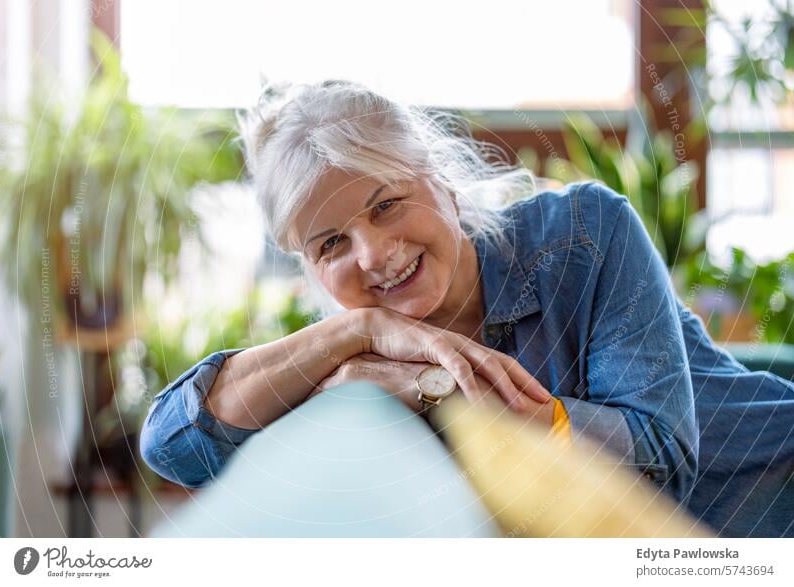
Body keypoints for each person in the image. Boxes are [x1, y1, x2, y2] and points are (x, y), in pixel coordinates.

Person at [139, 79, 794, 537]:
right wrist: (361, 332)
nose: (372, 254)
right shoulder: (350, 352)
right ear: (309, 267)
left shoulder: (584, 236)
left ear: (444, 184)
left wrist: (440, 390)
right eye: (332, 242)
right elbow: (171, 444)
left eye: (387, 203)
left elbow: (662, 467)